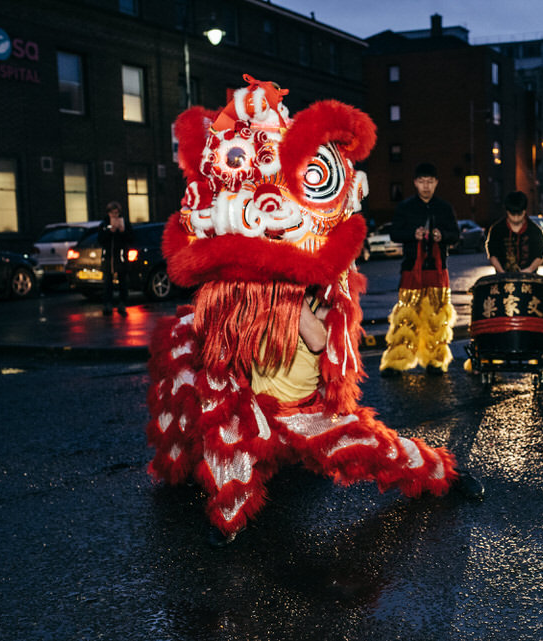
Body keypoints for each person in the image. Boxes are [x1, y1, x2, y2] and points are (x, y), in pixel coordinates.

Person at [145, 80, 483, 548]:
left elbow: (324, 342)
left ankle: (443, 471)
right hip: (251, 404)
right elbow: (205, 331)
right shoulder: (234, 291)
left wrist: (292, 300)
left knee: (374, 445)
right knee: (197, 370)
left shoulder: (313, 291)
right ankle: (224, 509)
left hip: (302, 412)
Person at [380, 162, 460, 376]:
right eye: (422, 182)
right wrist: (411, 235)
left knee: (436, 317)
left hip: (437, 268)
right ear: (415, 183)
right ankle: (396, 362)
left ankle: (435, 361)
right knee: (406, 316)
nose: (426, 186)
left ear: (436, 183)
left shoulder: (445, 208)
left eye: (430, 182)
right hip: (410, 268)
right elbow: (394, 233)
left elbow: (456, 235)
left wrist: (442, 236)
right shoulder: (405, 207)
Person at [481, 190, 543, 374]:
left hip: (530, 282)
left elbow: (541, 252)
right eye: (513, 214)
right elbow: (492, 252)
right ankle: (492, 355)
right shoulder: (497, 229)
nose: (517, 219)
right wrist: (502, 273)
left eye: (520, 214)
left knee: (536, 317)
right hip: (502, 282)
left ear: (525, 212)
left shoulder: (535, 229)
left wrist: (528, 271)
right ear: (507, 212)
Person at [98, 201, 134, 316]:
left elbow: (131, 238)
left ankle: (122, 304)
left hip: (121, 257)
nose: (115, 216)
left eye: (117, 213)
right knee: (108, 283)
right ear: (108, 213)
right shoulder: (104, 224)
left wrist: (123, 232)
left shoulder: (125, 223)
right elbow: (100, 240)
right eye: (112, 213)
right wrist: (110, 232)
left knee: (123, 283)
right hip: (109, 258)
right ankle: (107, 304)